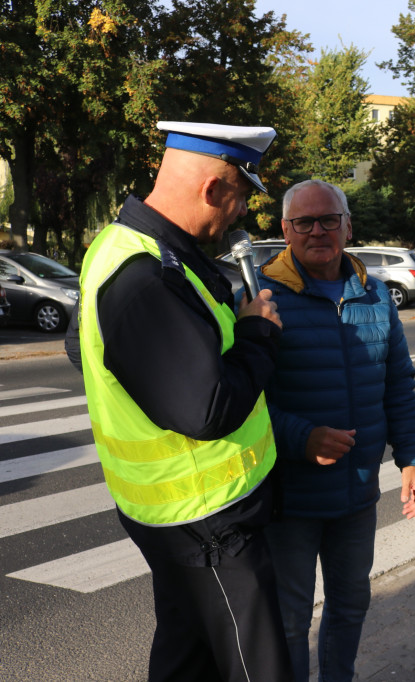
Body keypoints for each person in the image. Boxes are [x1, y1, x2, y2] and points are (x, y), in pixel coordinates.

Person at [76, 121, 292, 680]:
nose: (242, 212)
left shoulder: (133, 247)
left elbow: (85, 351)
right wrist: (258, 335)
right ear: (213, 189)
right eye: (241, 196)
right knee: (257, 668)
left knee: (186, 659)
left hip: (185, 521)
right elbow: (206, 409)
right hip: (206, 523)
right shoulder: (144, 275)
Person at [251, 179, 415, 682]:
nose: (318, 231)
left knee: (351, 606)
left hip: (355, 495)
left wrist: (411, 460)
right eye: (304, 222)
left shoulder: (374, 296)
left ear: (348, 226)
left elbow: (398, 383)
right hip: (289, 499)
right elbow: (243, 399)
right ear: (285, 230)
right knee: (288, 620)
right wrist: (300, 437)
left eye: (329, 219)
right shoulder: (261, 294)